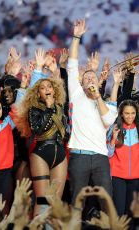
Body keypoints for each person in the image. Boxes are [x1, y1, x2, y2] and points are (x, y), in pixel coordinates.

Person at [67, 19, 117, 208]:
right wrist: (76, 37)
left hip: (100, 158)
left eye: (92, 77)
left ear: (97, 82)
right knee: (76, 203)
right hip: (79, 156)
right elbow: (72, 65)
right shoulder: (76, 93)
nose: (89, 78)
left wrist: (97, 97)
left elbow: (107, 121)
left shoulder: (107, 105)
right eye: (86, 77)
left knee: (106, 202)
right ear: (81, 82)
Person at [14, 76, 68, 217]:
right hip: (41, 154)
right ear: (38, 93)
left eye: (49, 87)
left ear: (54, 90)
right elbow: (38, 129)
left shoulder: (61, 108)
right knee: (43, 200)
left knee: (55, 201)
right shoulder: (34, 110)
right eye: (42, 88)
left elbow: (64, 132)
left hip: (60, 154)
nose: (47, 90)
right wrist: (49, 108)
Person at [107, 99, 139, 216]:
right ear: (121, 114)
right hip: (118, 177)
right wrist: (113, 140)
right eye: (127, 113)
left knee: (131, 214)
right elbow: (108, 154)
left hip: (136, 178)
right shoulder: (114, 129)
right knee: (118, 212)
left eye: (133, 113)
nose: (130, 116)